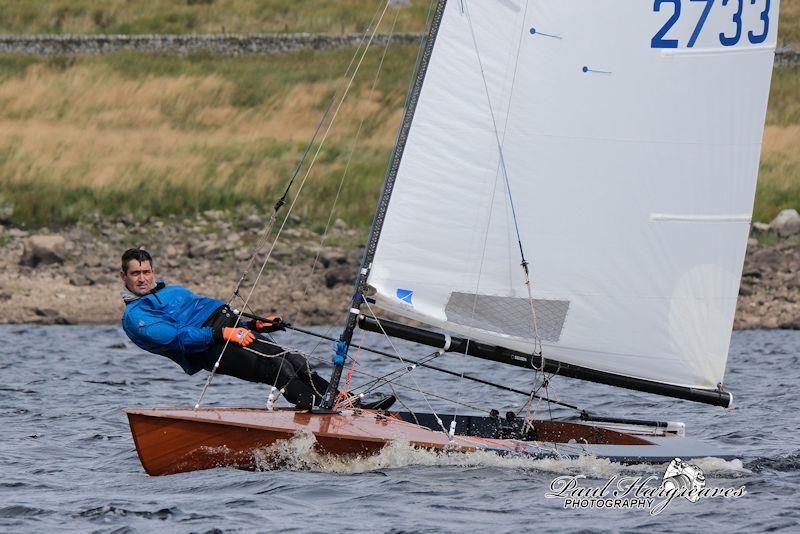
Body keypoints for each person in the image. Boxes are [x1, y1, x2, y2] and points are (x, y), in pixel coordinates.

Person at [119, 248, 393, 410]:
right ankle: (322, 410)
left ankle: (347, 405)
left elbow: (214, 314)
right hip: (209, 347)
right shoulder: (136, 317)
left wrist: (253, 324)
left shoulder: (172, 291)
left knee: (295, 361)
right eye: (136, 274)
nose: (143, 279)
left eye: (146, 272)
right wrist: (222, 334)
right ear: (124, 277)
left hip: (230, 327)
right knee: (277, 370)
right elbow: (179, 338)